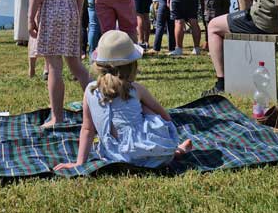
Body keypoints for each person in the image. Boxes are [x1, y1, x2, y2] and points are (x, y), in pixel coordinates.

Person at [53, 30, 192, 171]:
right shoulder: (135, 89)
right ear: (132, 65)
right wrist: (170, 135)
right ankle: (175, 150)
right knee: (146, 108)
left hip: (114, 155)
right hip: (149, 155)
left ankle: (171, 150)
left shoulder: (90, 90)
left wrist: (79, 162)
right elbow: (164, 116)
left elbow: (88, 129)